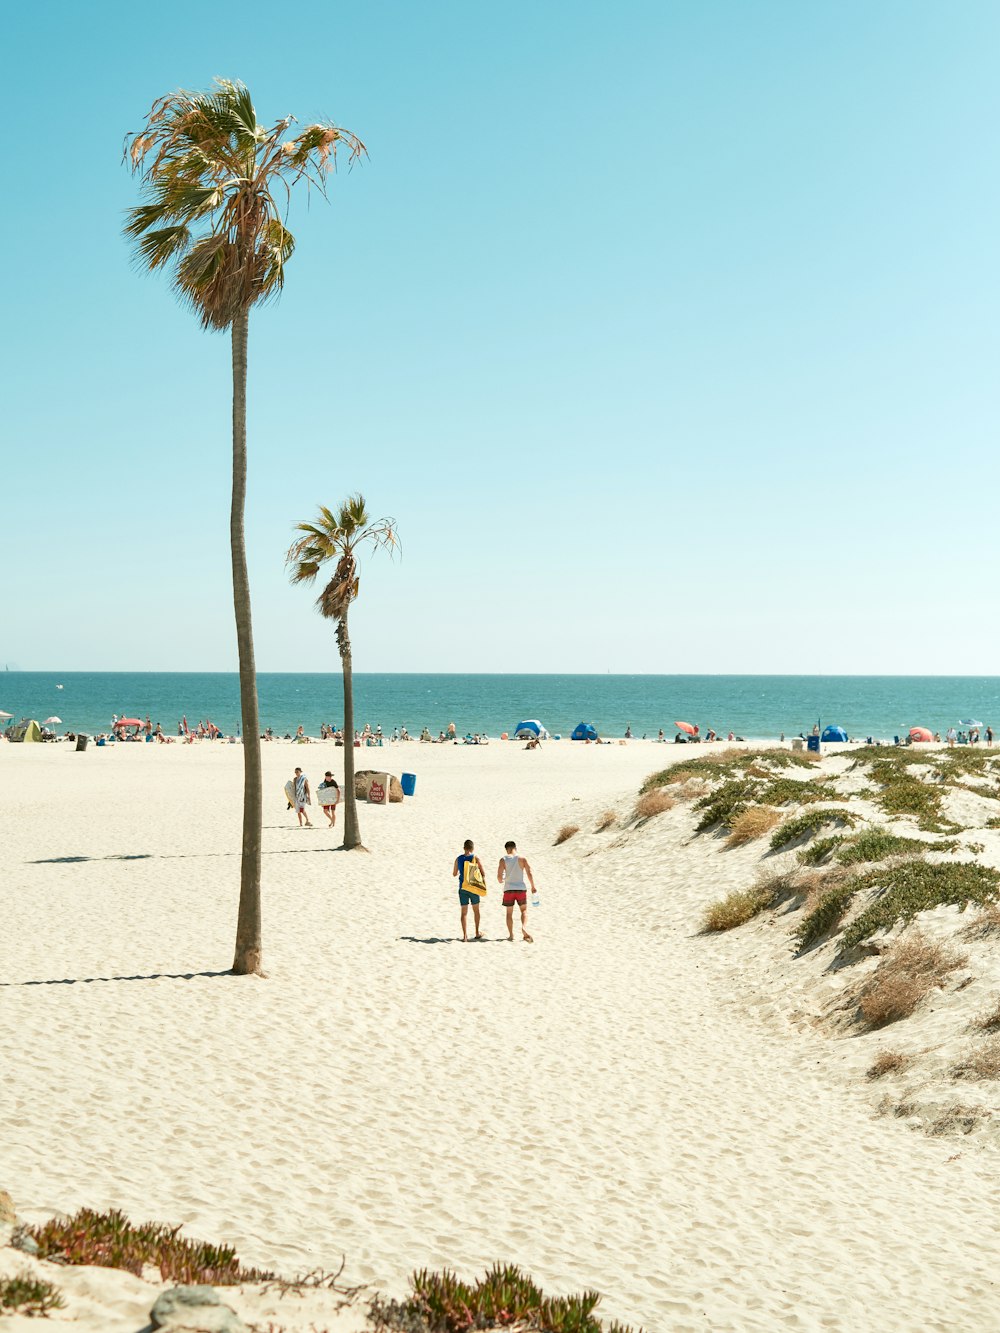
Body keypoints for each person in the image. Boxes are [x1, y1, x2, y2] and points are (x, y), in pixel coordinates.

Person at [497, 841, 535, 943]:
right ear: (515, 848)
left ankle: (511, 935)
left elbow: (499, 878)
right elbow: (529, 872)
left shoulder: (503, 860)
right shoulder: (522, 859)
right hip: (521, 889)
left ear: (506, 849)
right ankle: (523, 927)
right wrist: (533, 886)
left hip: (508, 889)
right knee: (524, 911)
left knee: (509, 913)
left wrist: (503, 879)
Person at [453, 839, 485, 941]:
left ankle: (465, 936)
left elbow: (454, 874)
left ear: (464, 848)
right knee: (476, 911)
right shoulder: (475, 858)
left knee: (464, 913)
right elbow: (483, 873)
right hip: (474, 888)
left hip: (463, 887)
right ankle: (476, 932)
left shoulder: (458, 859)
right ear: (472, 848)